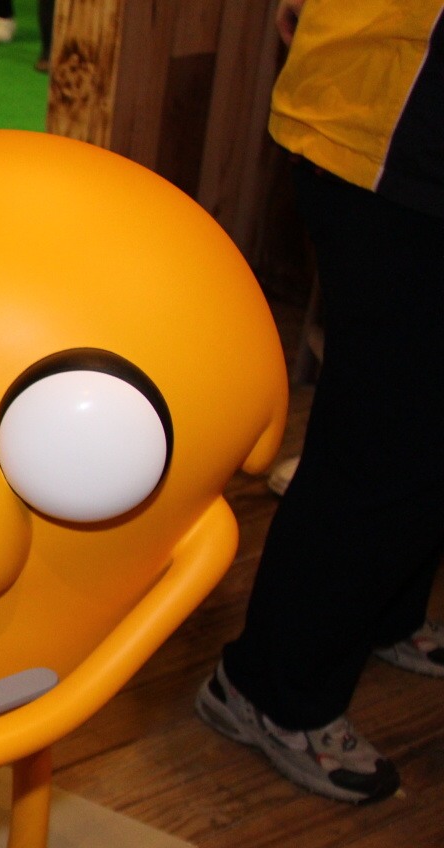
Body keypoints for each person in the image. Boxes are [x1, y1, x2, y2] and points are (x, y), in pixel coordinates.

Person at [196, 0, 444, 803]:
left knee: (413, 428)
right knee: (391, 438)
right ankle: (270, 690)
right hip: (395, 144)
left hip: (401, 132)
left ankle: (387, 612)